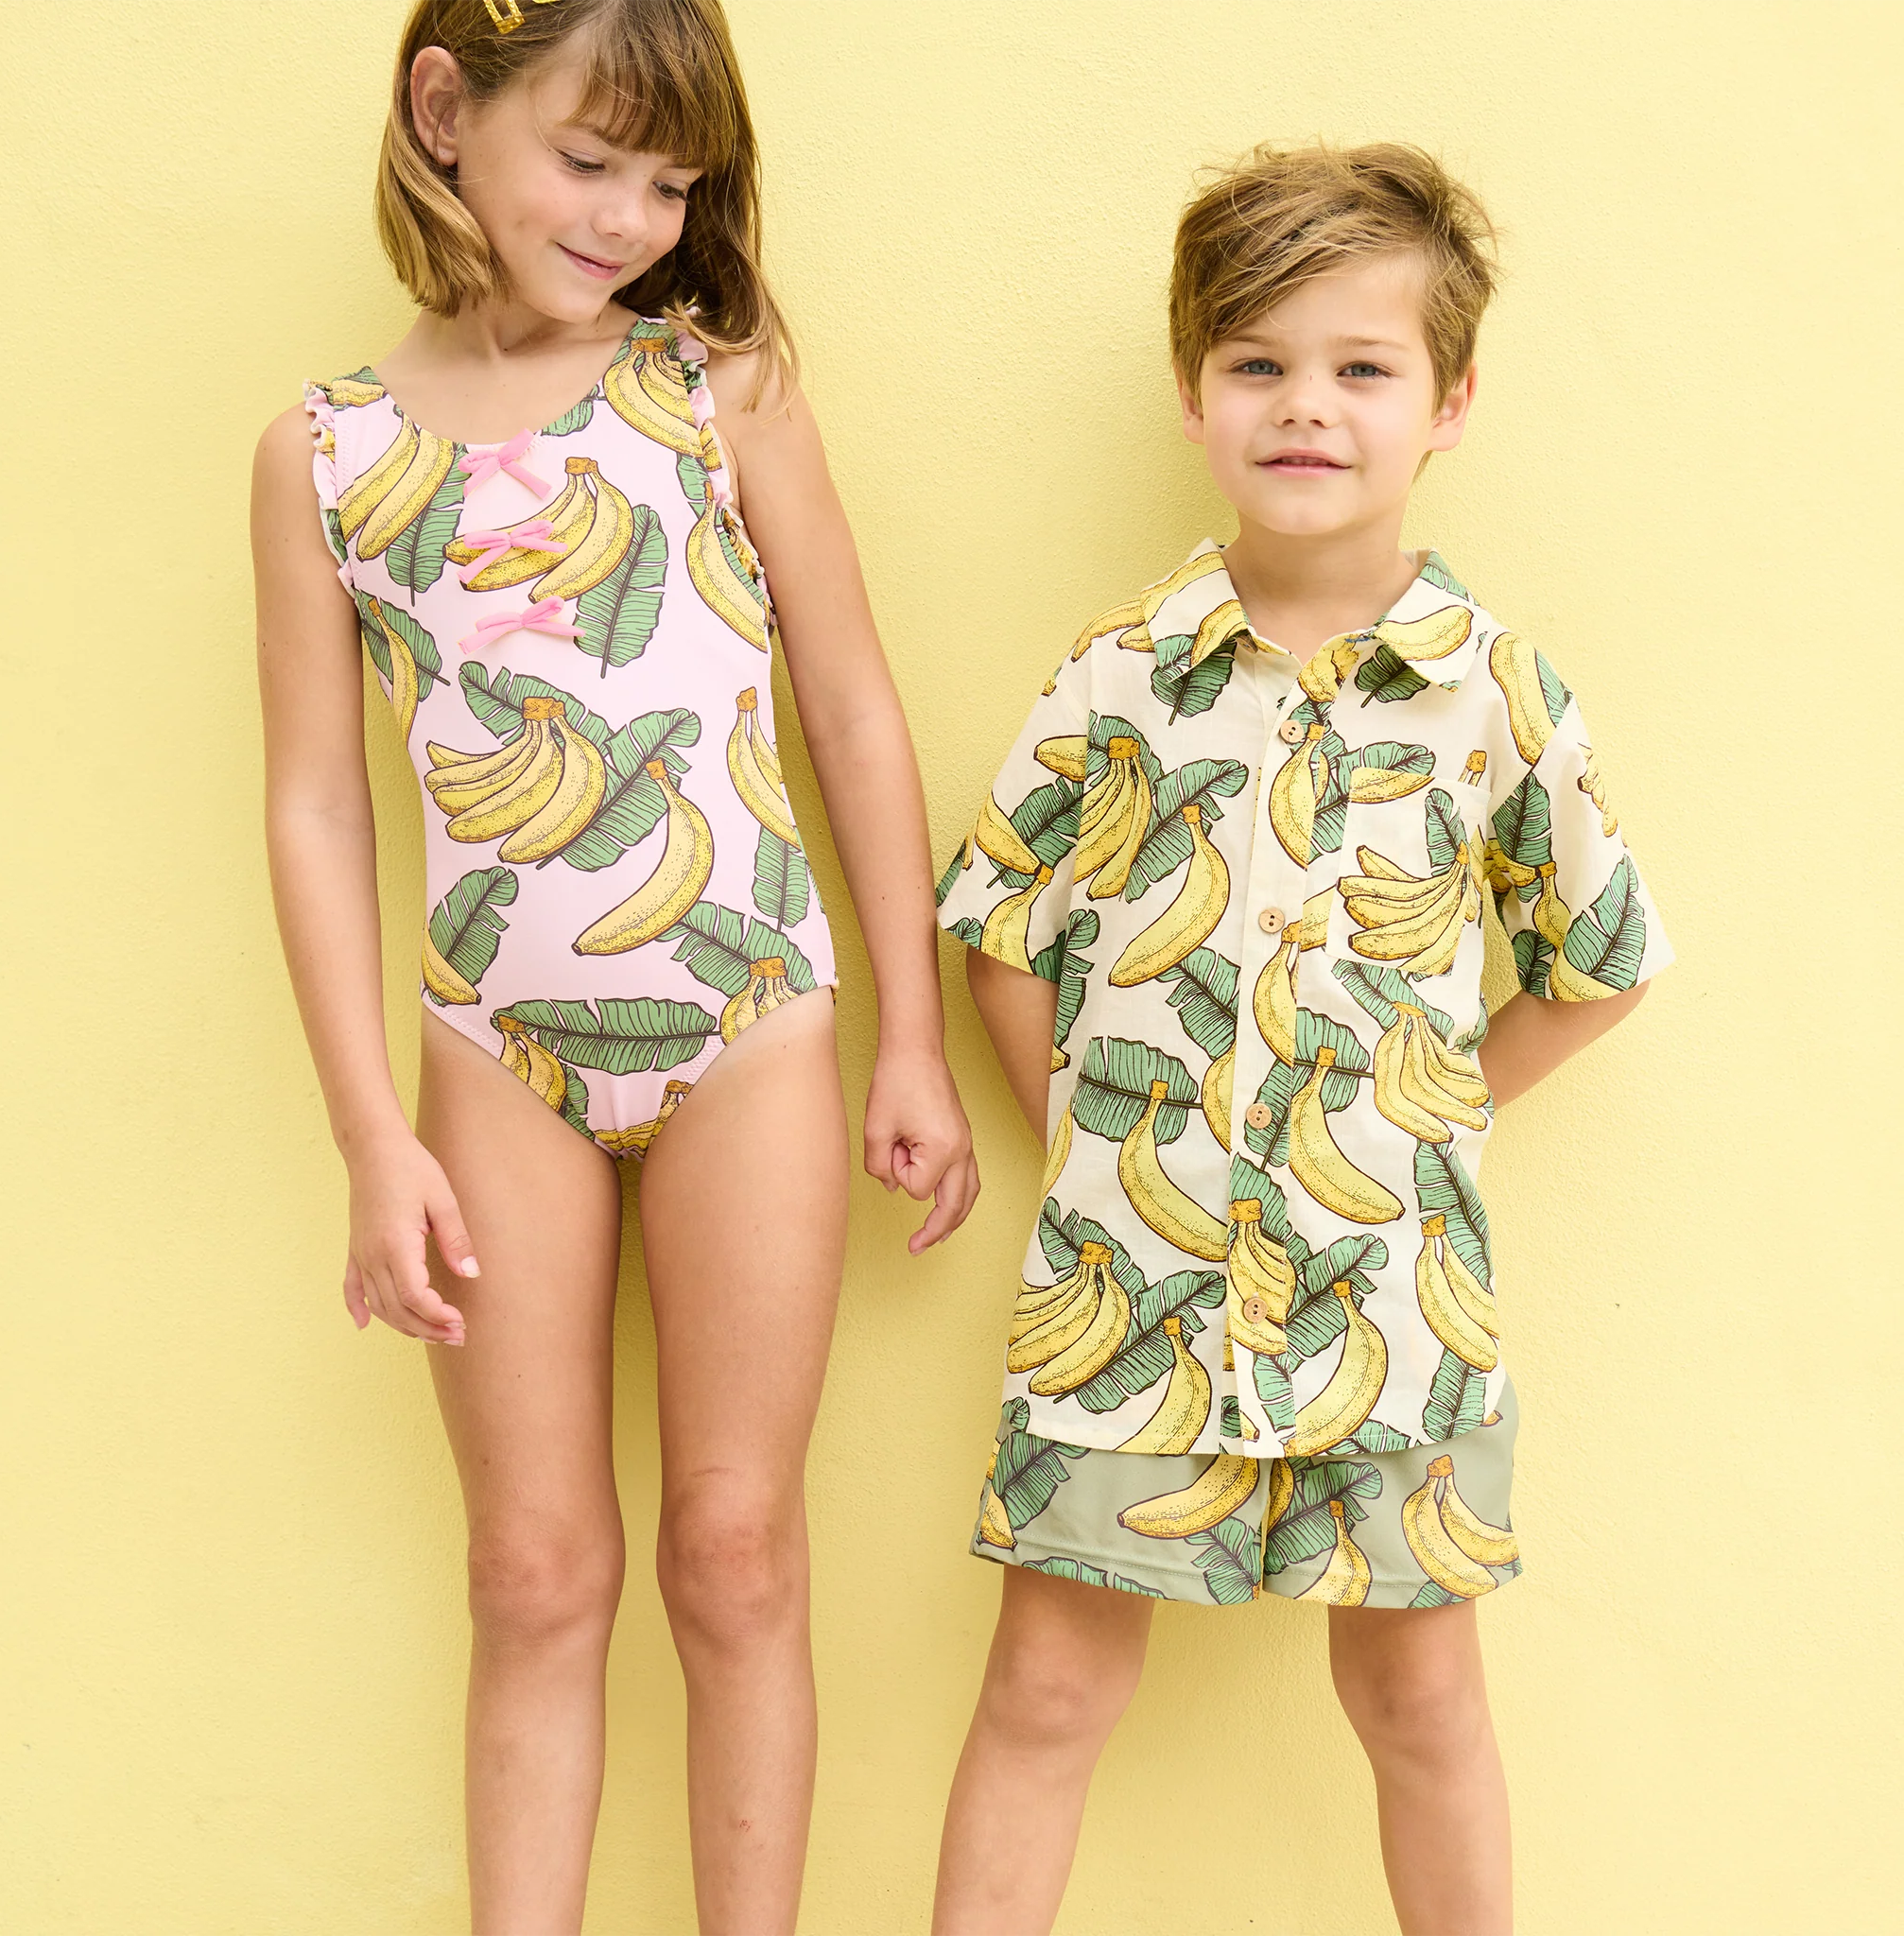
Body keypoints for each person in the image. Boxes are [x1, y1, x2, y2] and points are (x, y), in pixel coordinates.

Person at [250, 3, 977, 1929]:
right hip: (493, 1062)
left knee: (735, 1553)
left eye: (673, 183)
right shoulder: (323, 454)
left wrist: (912, 1037)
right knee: (531, 1572)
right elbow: (315, 806)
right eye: (591, 162)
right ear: (445, 109)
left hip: (752, 1027)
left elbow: (851, 705)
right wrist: (369, 1135)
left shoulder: (714, 384)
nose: (632, 219)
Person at [927, 143, 1671, 1936]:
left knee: (1418, 1704)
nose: (1306, 406)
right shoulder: (1122, 673)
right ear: (1194, 394)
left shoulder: (1495, 691)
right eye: (1257, 362)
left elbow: (1600, 962)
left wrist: (1434, 1114)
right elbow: (1000, 929)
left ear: (1448, 404)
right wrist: (1096, 1146)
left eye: (1361, 367)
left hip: (1394, 1306)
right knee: (1045, 1690)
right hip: (1127, 1299)